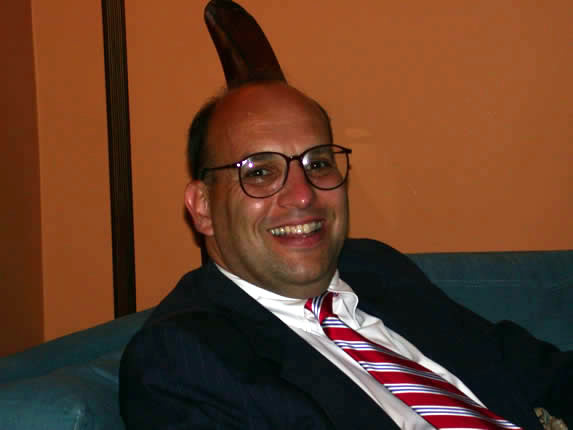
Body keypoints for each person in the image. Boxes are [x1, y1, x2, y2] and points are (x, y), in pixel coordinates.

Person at [119, 80, 571, 429]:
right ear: (202, 207)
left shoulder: (374, 267)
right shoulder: (183, 359)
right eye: (259, 173)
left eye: (318, 163)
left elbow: (535, 370)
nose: (303, 195)